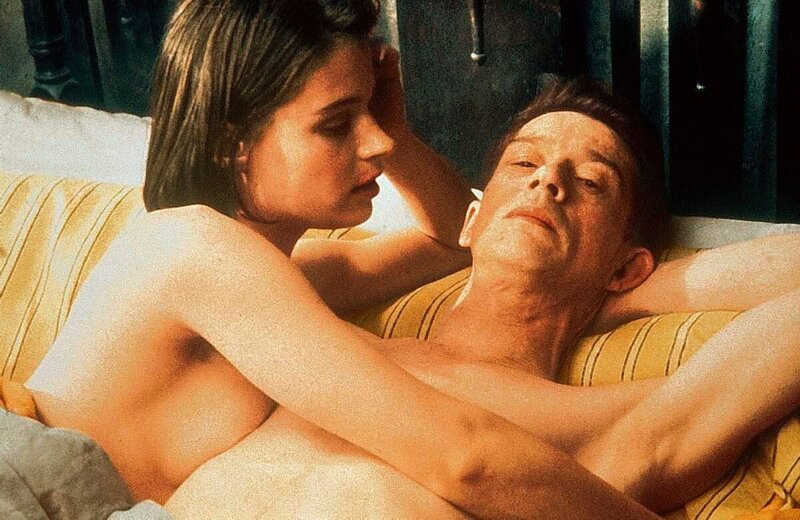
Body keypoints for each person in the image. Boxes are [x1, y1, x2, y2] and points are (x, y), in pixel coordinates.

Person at [15, 1, 656, 519]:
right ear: (233, 144)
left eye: (370, 113)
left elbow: (449, 239)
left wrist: (400, 134)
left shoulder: (289, 280)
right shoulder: (194, 249)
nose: (374, 142)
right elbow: (464, 458)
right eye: (335, 124)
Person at [162, 77, 800, 518]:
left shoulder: (596, 428)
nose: (549, 180)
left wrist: (636, 290)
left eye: (591, 182)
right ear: (469, 222)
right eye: (523, 164)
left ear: (627, 264)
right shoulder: (310, 334)